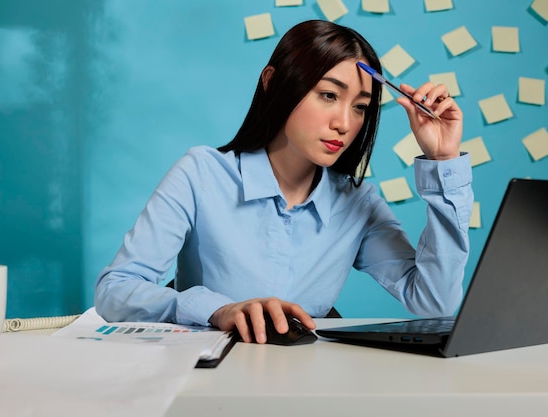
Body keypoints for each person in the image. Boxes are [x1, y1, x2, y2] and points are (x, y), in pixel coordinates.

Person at [94, 20, 473, 344]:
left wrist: (443, 161)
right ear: (273, 83)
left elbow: (434, 302)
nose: (344, 123)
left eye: (360, 107)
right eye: (328, 95)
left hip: (307, 382)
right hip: (209, 378)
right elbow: (115, 290)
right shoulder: (201, 173)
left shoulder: (358, 203)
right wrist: (216, 308)